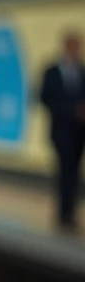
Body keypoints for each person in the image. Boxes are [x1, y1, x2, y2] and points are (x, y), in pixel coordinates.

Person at [39, 31, 85, 232]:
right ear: (66, 46)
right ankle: (63, 214)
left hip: (80, 132)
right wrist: (71, 110)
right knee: (65, 170)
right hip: (61, 130)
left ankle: (70, 213)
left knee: (74, 172)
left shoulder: (82, 71)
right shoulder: (51, 71)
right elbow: (45, 98)